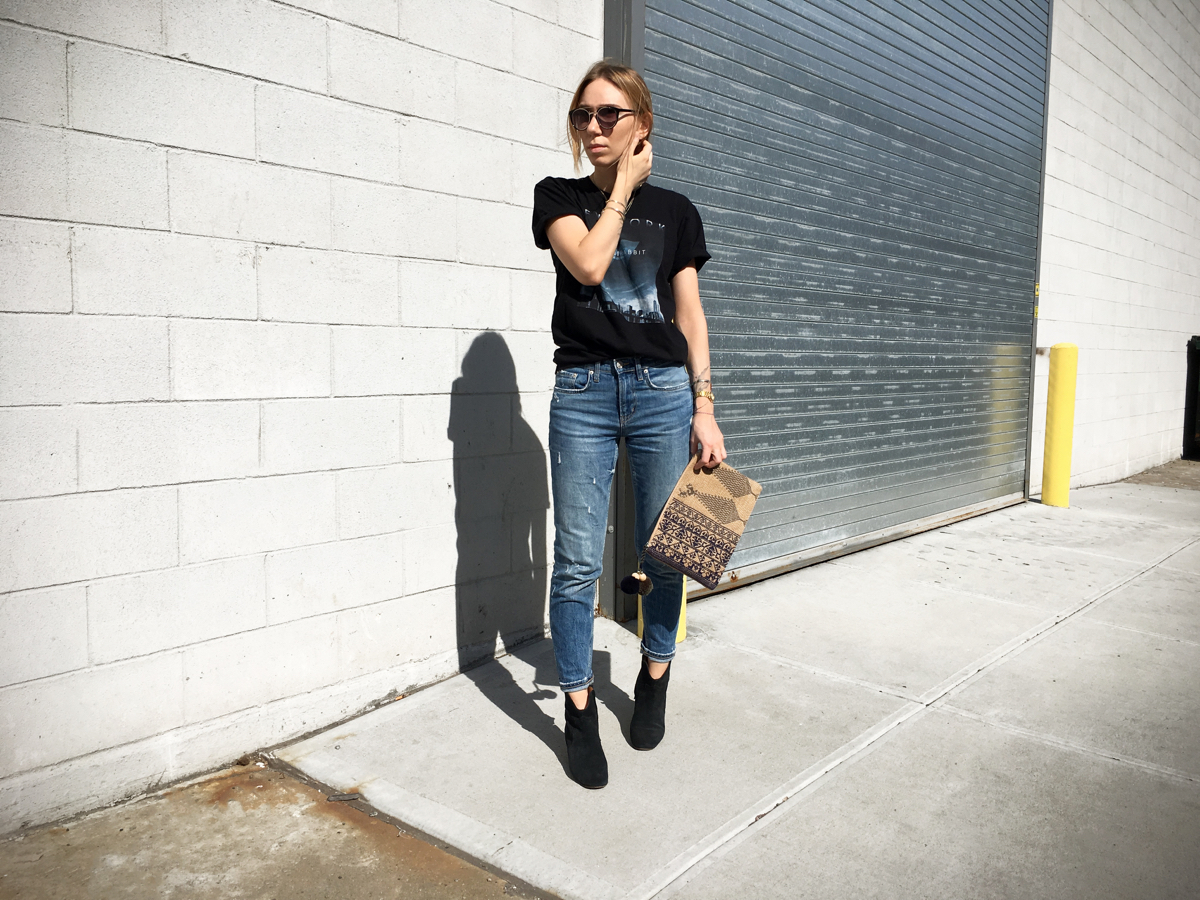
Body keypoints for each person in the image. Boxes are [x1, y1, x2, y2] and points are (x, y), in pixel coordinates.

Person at [531, 60, 727, 789]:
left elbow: (690, 316)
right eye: (583, 114)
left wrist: (705, 408)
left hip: (662, 391)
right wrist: (618, 191)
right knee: (577, 561)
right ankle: (579, 711)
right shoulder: (558, 196)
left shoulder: (676, 211)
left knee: (669, 549)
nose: (594, 126)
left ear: (641, 122)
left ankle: (654, 675)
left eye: (610, 113)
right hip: (583, 390)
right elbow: (587, 266)